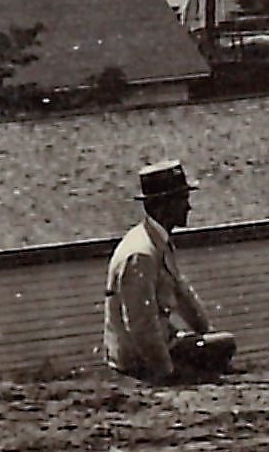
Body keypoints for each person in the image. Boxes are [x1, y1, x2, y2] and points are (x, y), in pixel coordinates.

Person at [101, 160, 237, 383]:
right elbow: (140, 323)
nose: (188, 207)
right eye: (182, 200)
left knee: (221, 345)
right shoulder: (141, 253)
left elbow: (184, 297)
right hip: (138, 356)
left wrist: (207, 332)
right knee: (218, 351)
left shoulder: (157, 242)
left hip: (160, 344)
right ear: (164, 205)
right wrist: (165, 371)